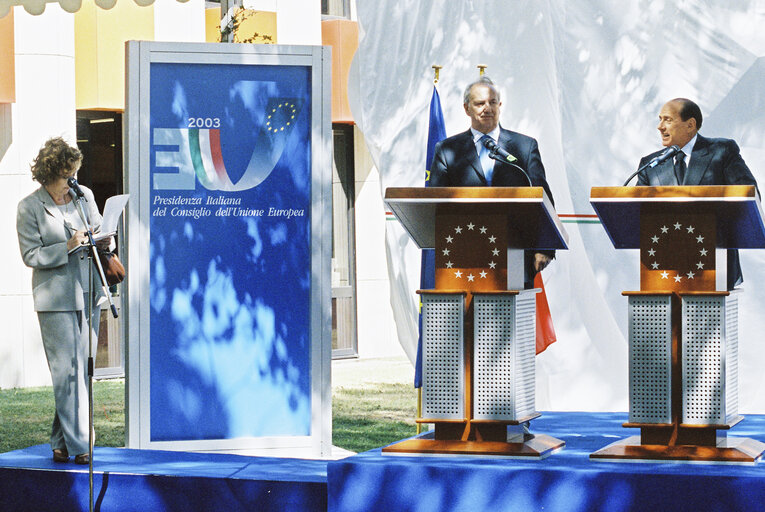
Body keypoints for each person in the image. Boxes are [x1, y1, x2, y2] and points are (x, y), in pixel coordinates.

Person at [16, 137, 106, 465]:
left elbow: (97, 228)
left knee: (79, 370)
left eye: (75, 172)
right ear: (50, 173)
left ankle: (60, 442)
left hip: (89, 289)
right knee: (65, 370)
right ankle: (82, 445)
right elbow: (30, 255)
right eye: (67, 173)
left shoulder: (85, 197)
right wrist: (66, 246)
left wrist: (100, 235)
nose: (72, 179)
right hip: (55, 298)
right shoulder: (29, 207)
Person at [428, 76, 555, 286]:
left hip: (515, 255)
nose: (487, 108)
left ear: (500, 105)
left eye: (492, 102)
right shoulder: (448, 150)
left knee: (512, 318)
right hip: (463, 257)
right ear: (466, 109)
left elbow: (544, 199)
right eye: (479, 103)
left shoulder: (524, 147)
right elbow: (435, 203)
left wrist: (545, 247)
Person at [636, 98, 758, 289]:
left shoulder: (721, 151)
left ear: (690, 125)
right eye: (660, 119)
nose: (660, 127)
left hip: (714, 266)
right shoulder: (651, 164)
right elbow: (635, 210)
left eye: (667, 119)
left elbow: (747, 193)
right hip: (664, 270)